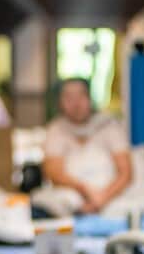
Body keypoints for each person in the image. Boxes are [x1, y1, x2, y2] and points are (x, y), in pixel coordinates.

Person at [38, 77, 133, 215]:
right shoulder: (56, 130)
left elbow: (125, 173)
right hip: (72, 198)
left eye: (81, 96)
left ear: (90, 98)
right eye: (69, 98)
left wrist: (101, 199)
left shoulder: (109, 126)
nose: (76, 104)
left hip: (113, 197)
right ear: (60, 102)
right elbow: (54, 173)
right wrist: (85, 190)